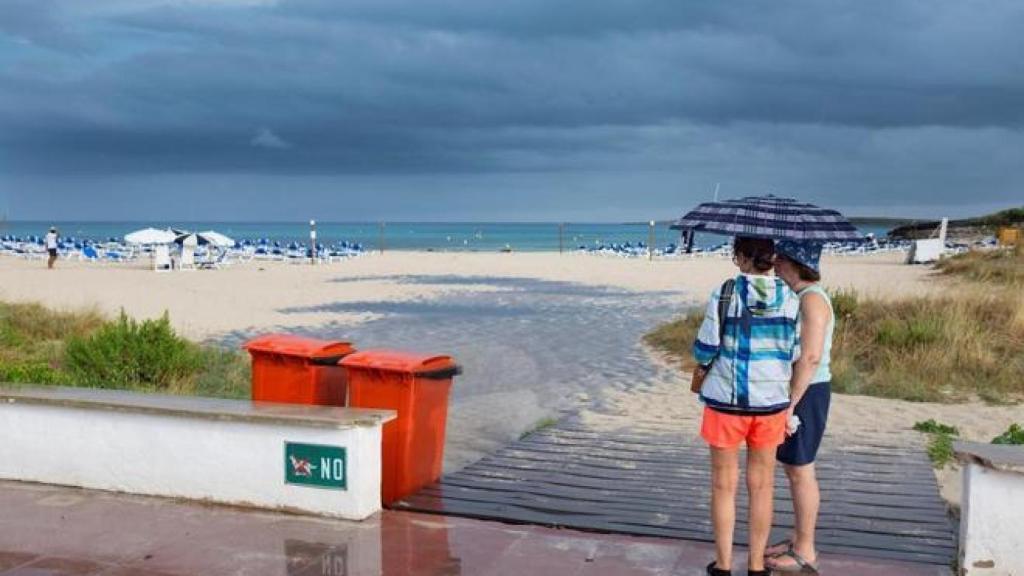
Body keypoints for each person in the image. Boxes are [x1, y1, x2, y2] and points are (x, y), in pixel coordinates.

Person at [693, 236, 801, 576]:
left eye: (735, 255)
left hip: (726, 403)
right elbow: (794, 352)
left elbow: (705, 348)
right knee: (763, 486)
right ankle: (756, 567)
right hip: (769, 404)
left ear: (742, 258)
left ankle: (723, 566)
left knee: (724, 485)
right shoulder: (790, 297)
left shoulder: (726, 292)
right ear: (771, 258)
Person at [765, 241, 832, 575]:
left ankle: (806, 549)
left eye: (780, 261)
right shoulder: (801, 297)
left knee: (801, 469)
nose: (775, 266)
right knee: (793, 468)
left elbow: (811, 357)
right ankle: (797, 538)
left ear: (795, 263)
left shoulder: (813, 300)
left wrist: (790, 402)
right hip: (801, 389)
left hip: (807, 391)